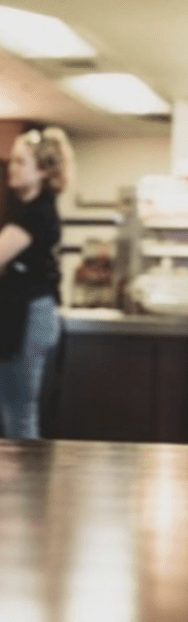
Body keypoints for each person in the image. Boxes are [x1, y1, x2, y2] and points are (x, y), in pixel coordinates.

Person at [0, 126, 73, 439]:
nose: (11, 168)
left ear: (43, 170)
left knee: (19, 412)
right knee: (17, 408)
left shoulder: (35, 214)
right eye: (12, 161)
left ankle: (22, 486)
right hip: (28, 316)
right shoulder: (30, 210)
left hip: (28, 318)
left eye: (20, 162)